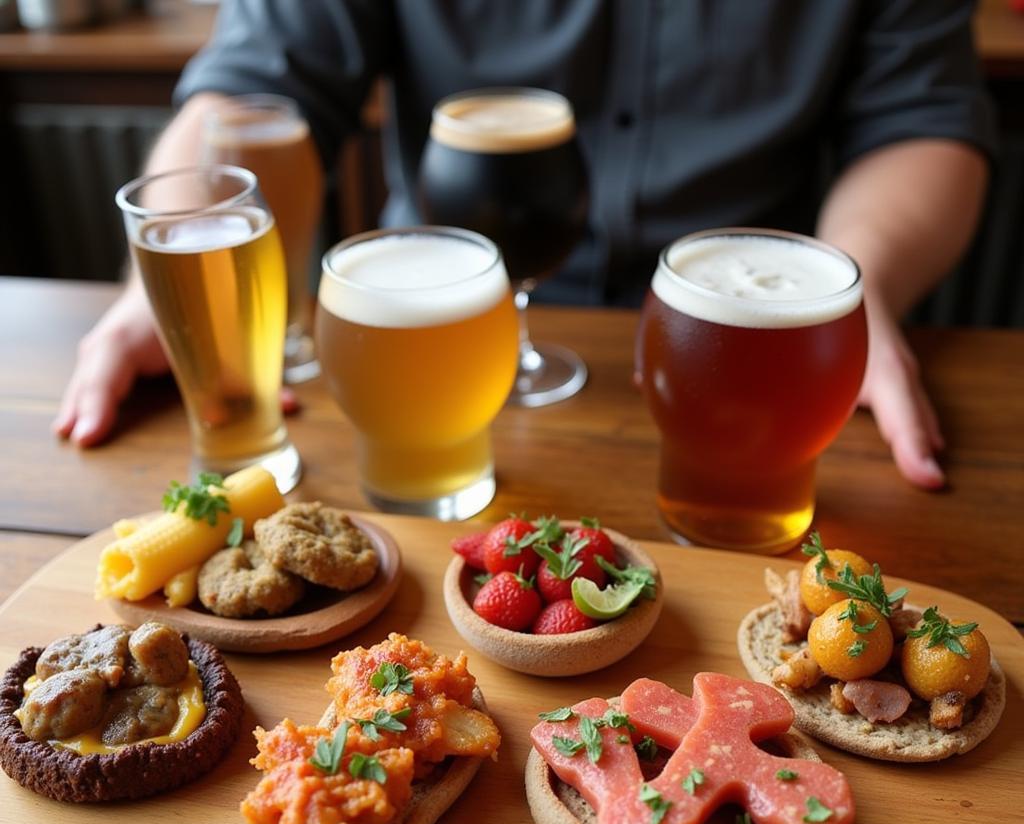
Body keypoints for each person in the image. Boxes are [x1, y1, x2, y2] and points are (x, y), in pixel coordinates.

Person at [54, 0, 995, 491]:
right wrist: (178, 286)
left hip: (749, 372)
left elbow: (923, 121)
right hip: (439, 358)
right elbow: (253, 94)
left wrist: (854, 283)